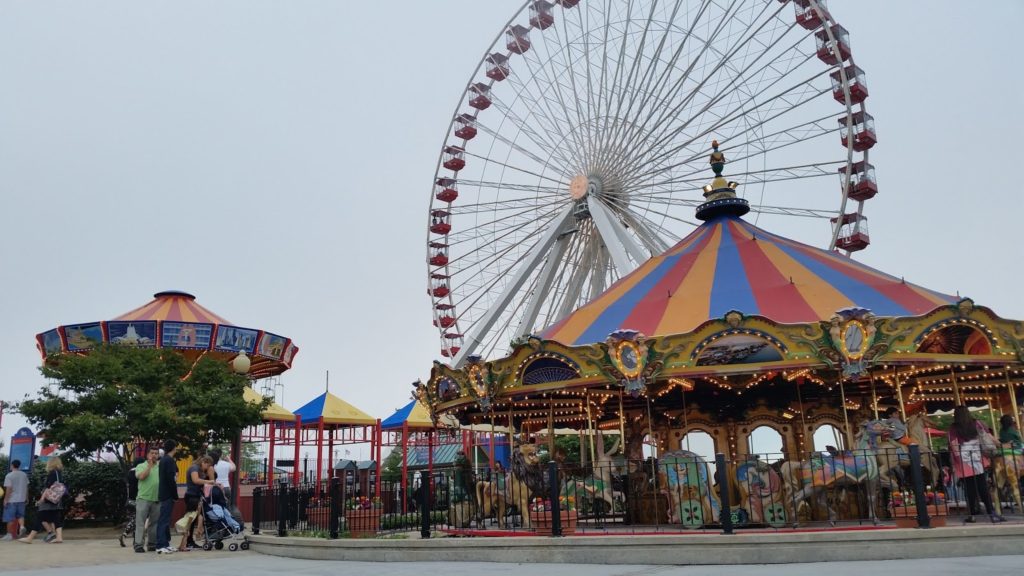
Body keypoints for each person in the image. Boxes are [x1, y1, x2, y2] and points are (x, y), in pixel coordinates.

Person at [948, 406, 1005, 523]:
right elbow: (988, 436)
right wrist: (1000, 444)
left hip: (964, 459)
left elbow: (953, 444)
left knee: (970, 489)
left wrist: (957, 461)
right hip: (977, 457)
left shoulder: (953, 428)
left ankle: (972, 514)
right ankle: (992, 512)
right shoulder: (976, 423)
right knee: (983, 487)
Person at [18, 457, 66, 544]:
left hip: (49, 499)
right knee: (56, 518)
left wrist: (42, 499)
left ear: (51, 463)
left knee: (40, 516)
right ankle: (59, 537)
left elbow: (48, 488)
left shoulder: (52, 473)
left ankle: (30, 538)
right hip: (57, 499)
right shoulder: (59, 473)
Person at [182, 455, 215, 550]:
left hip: (196, 495)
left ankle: (189, 541)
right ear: (204, 462)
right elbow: (195, 480)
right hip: (192, 496)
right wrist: (209, 481)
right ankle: (188, 541)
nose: (207, 468)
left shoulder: (198, 469)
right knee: (190, 520)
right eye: (207, 466)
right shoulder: (194, 468)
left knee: (193, 519)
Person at [132, 447, 161, 552]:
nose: (154, 455)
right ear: (148, 454)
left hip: (157, 499)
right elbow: (142, 477)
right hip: (143, 498)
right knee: (140, 523)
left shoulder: (160, 467)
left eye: (156, 453)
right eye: (152, 453)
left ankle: (152, 544)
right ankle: (138, 544)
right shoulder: (141, 466)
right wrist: (149, 466)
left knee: (154, 523)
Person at [155, 440, 179, 554]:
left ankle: (165, 543)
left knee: (166, 519)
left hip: (164, 493)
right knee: (164, 520)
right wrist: (175, 494)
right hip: (167, 494)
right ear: (173, 448)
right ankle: (160, 544)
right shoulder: (169, 460)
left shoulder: (164, 460)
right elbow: (171, 479)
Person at [2, 459, 29, 540]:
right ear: (19, 465)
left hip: (12, 500)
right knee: (20, 515)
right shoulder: (24, 475)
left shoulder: (9, 476)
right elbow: (26, 487)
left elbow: (9, 489)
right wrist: (27, 497)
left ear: (12, 465)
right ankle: (22, 527)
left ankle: (9, 535)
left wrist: (6, 499)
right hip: (22, 499)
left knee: (9, 518)